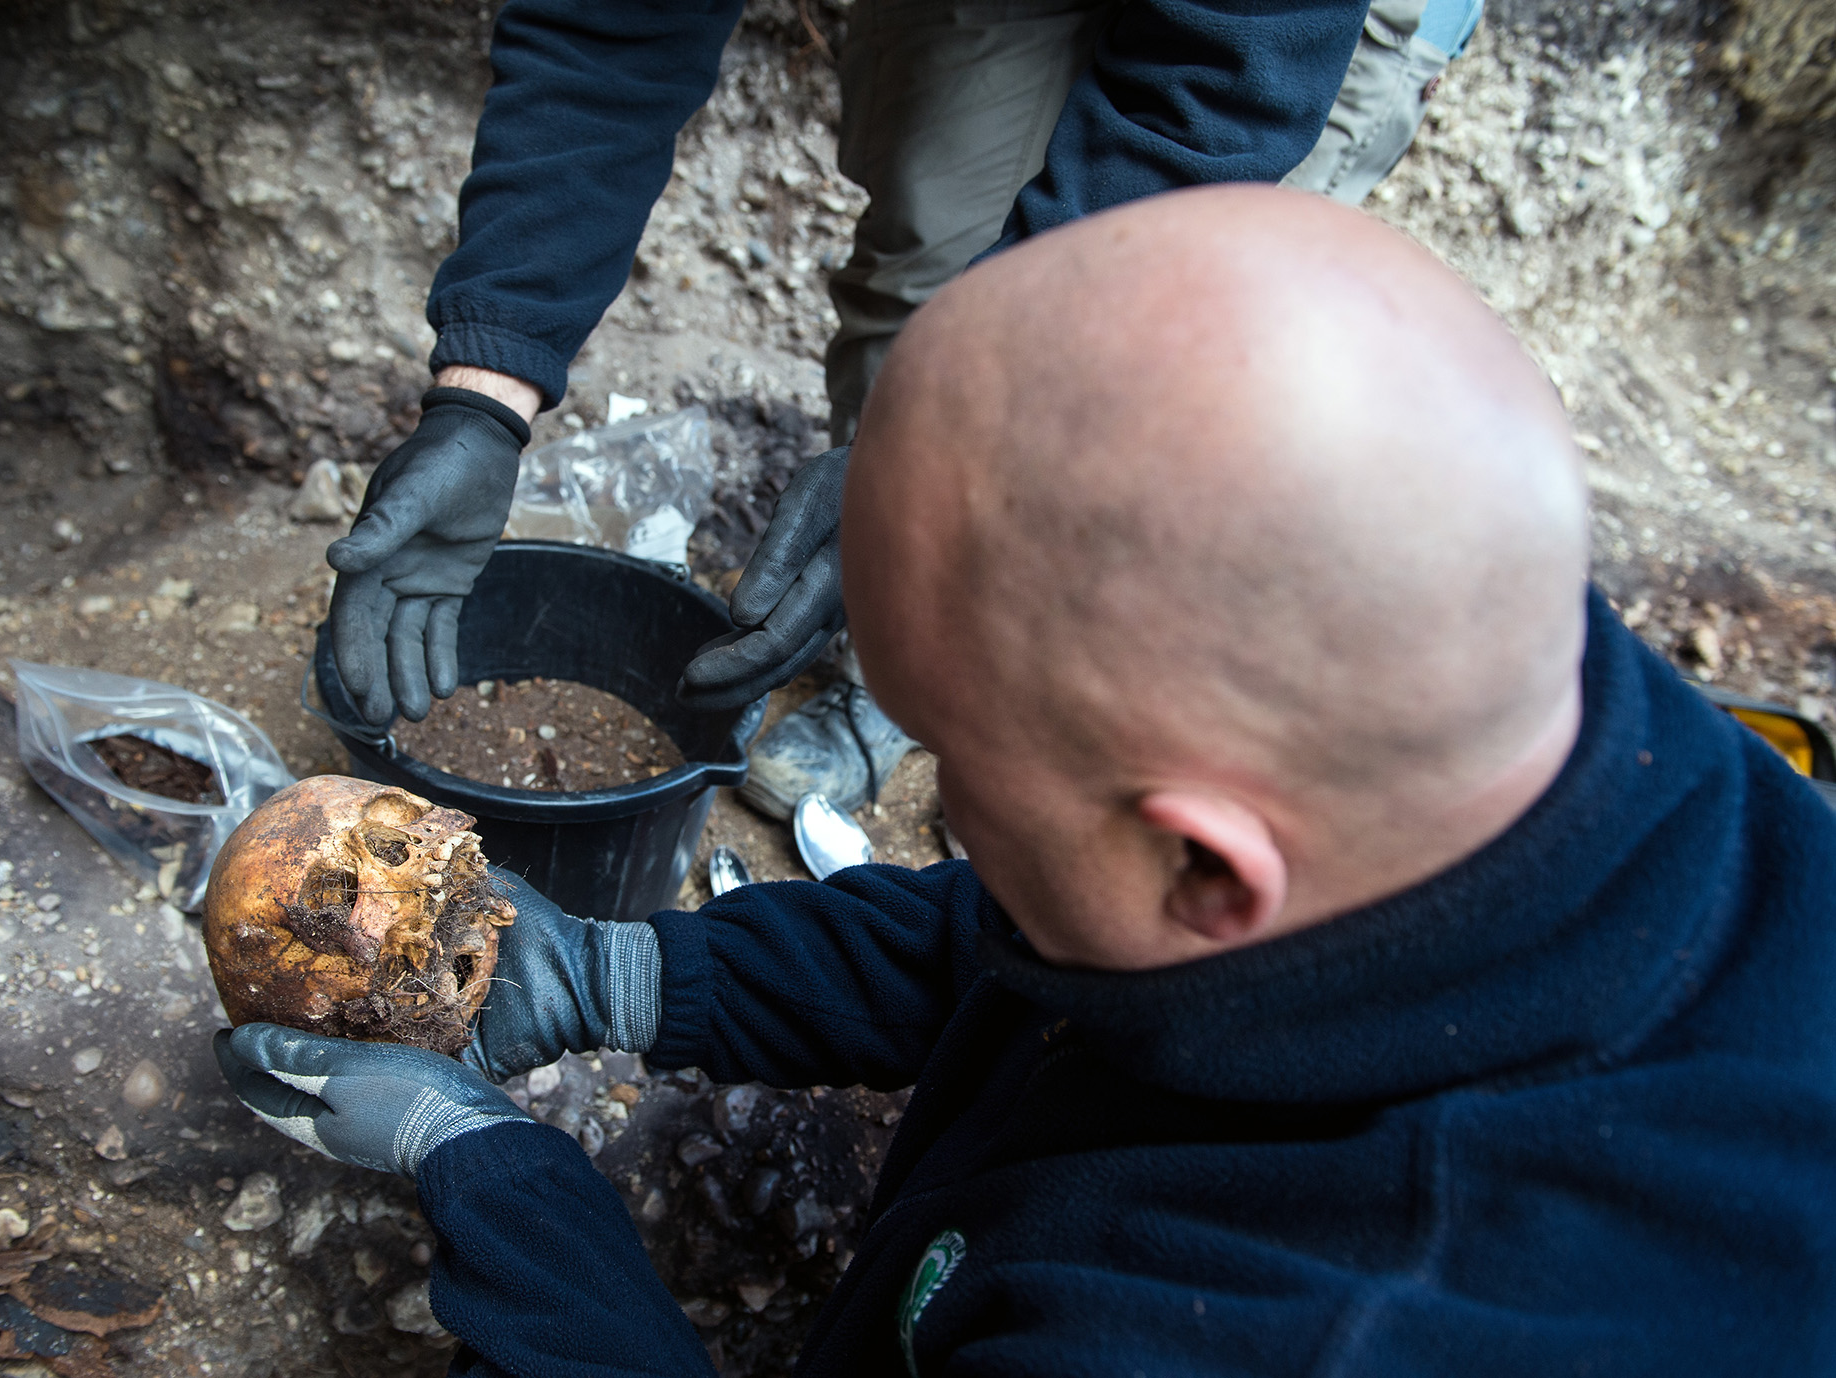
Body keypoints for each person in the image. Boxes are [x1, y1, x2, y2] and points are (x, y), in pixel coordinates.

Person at [217, 185, 1836, 1374]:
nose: (944, 810)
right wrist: (626, 969)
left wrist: (506, 1185)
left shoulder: (1322, 1325)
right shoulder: (1532, 723)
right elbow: (1031, 950)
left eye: (952, 758)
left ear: (1209, 867)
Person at [327, 0, 1486, 820]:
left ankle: (1050, 727)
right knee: (920, 298)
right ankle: (905, 639)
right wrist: (485, 393)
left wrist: (947, 452)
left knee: (1167, 368)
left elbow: (1215, 98)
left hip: (1270, 26)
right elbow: (609, 32)